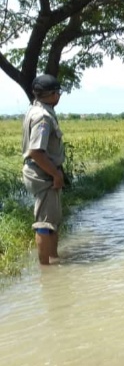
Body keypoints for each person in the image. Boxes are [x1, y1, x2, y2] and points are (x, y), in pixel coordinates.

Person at [22, 74, 66, 265]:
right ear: (53, 94)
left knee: (52, 221)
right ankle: (46, 271)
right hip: (43, 173)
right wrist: (56, 174)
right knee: (44, 224)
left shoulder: (36, 110)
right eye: (58, 92)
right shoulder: (42, 117)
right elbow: (36, 152)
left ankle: (54, 260)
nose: (60, 96)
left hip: (44, 171)